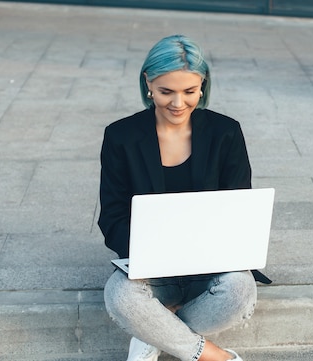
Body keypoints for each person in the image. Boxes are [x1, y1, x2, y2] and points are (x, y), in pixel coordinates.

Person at [98, 34, 270, 361]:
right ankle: (215, 357)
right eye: (166, 92)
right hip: (150, 266)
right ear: (147, 83)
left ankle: (153, 335)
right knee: (120, 295)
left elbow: (238, 208)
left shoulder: (226, 132)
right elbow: (112, 215)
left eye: (189, 91)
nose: (178, 104)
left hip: (211, 265)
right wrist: (146, 252)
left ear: (203, 86)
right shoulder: (121, 136)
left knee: (239, 290)